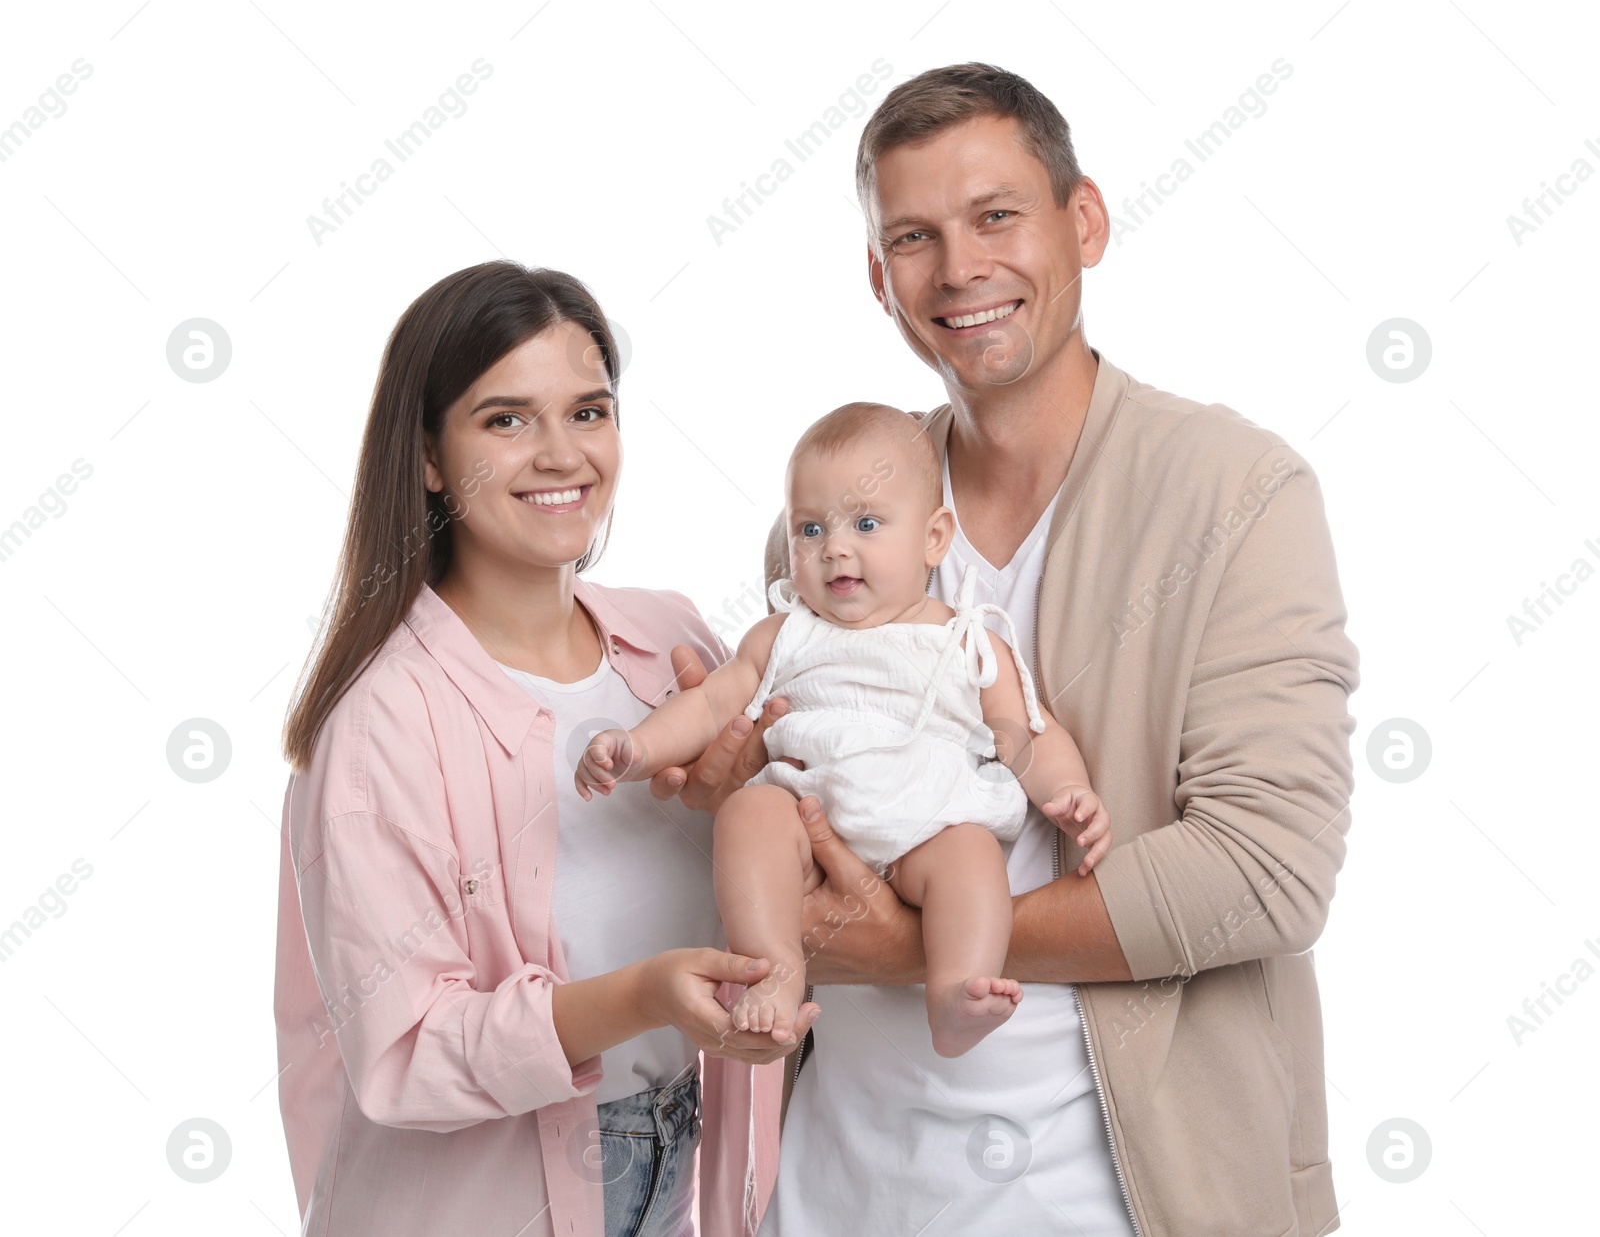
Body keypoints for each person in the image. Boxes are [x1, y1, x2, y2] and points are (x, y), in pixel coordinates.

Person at [657, 65, 1361, 1236]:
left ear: (1081, 221)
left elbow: (1266, 873)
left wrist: (906, 947)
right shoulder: (832, 526)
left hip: (1118, 1202)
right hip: (834, 1192)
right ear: (880, 282)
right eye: (915, 238)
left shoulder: (1234, 494)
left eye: (996, 217)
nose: (960, 269)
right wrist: (729, 788)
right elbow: (809, 814)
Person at [273, 261, 812, 1237]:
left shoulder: (675, 647)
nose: (562, 454)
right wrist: (640, 996)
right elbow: (405, 1051)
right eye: (506, 419)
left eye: (589, 411)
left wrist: (755, 801)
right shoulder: (383, 720)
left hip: (678, 1170)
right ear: (430, 455)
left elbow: (803, 857)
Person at [575, 403, 1111, 1058]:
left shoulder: (966, 638)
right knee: (749, 814)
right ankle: (775, 969)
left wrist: (1070, 790)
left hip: (930, 822)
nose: (835, 546)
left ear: (934, 537)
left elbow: (1027, 730)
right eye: (810, 528)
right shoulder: (786, 633)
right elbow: (713, 703)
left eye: (865, 523)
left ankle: (955, 988)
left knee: (971, 859)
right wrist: (639, 748)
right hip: (807, 812)